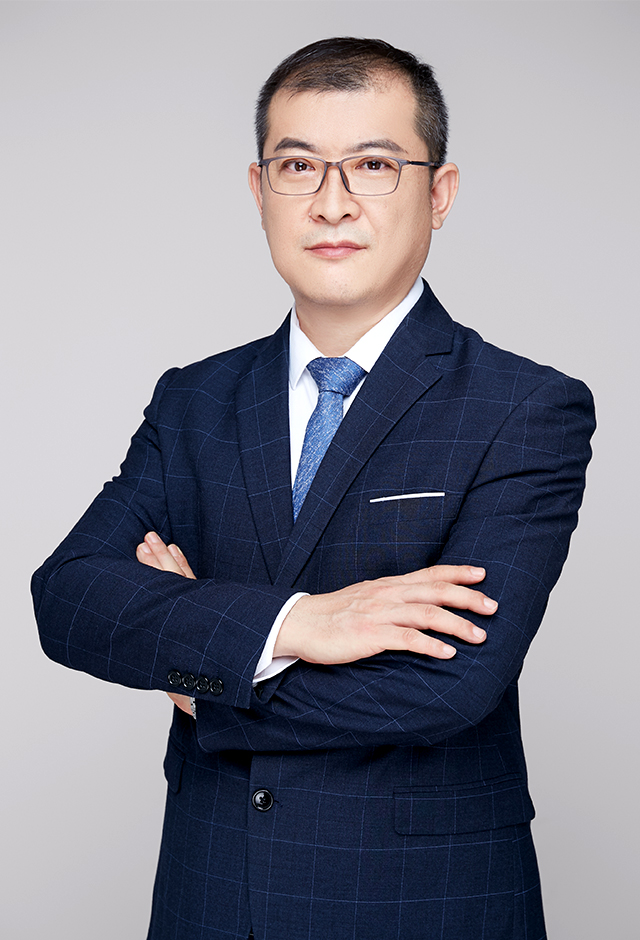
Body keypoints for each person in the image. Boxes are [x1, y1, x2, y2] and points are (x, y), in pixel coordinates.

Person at [32, 37, 595, 940]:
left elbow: (449, 688)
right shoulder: (194, 399)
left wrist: (208, 676)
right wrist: (298, 625)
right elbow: (68, 599)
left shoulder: (523, 407)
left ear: (439, 193)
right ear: (260, 191)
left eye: (373, 165)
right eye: (299, 166)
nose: (332, 202)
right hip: (211, 897)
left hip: (421, 905)